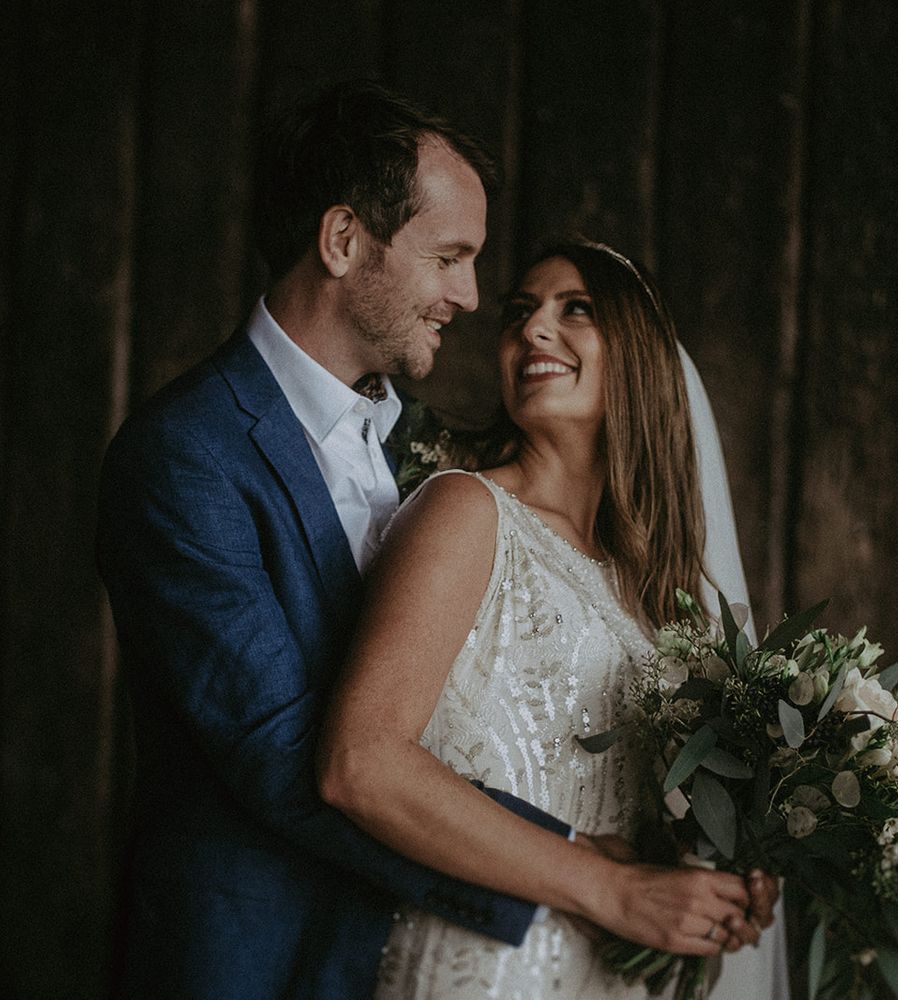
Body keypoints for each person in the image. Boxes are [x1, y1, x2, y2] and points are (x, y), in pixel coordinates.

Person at [97, 80, 586, 1000]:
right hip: (254, 963)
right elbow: (287, 756)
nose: (469, 296)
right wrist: (581, 875)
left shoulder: (434, 455)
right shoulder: (182, 456)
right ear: (342, 240)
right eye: (449, 257)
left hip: (432, 964)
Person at [317, 241, 789, 998]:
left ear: (640, 355)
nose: (533, 330)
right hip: (482, 971)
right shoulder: (465, 512)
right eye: (519, 314)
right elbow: (360, 763)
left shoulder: (661, 599)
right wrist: (611, 889)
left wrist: (715, 884)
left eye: (577, 310)